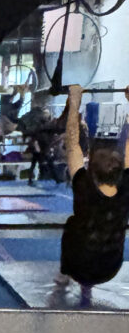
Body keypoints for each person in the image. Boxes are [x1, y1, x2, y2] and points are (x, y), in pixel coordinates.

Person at [54, 84, 129, 306]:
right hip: (111, 267)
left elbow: (72, 145)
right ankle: (86, 287)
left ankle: (64, 274)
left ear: (92, 170)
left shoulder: (83, 186)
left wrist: (75, 101)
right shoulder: (126, 187)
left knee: (71, 224)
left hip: (79, 267)